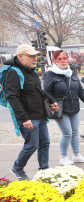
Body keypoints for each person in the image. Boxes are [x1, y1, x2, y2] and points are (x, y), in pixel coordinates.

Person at [4, 44, 58, 180]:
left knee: (45, 143)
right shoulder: (13, 73)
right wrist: (24, 118)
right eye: (31, 56)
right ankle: (17, 168)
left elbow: (39, 91)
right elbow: (12, 97)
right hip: (28, 117)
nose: (35, 59)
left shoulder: (32, 71)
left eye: (36, 56)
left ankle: (44, 171)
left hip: (39, 115)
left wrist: (51, 100)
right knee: (32, 145)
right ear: (20, 56)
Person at [44, 50, 84, 166]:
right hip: (60, 109)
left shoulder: (71, 73)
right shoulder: (50, 74)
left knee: (75, 132)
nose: (63, 61)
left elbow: (80, 91)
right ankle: (63, 157)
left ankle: (76, 155)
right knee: (67, 133)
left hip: (74, 108)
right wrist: (53, 102)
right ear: (55, 61)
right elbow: (46, 92)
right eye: (60, 59)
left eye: (65, 58)